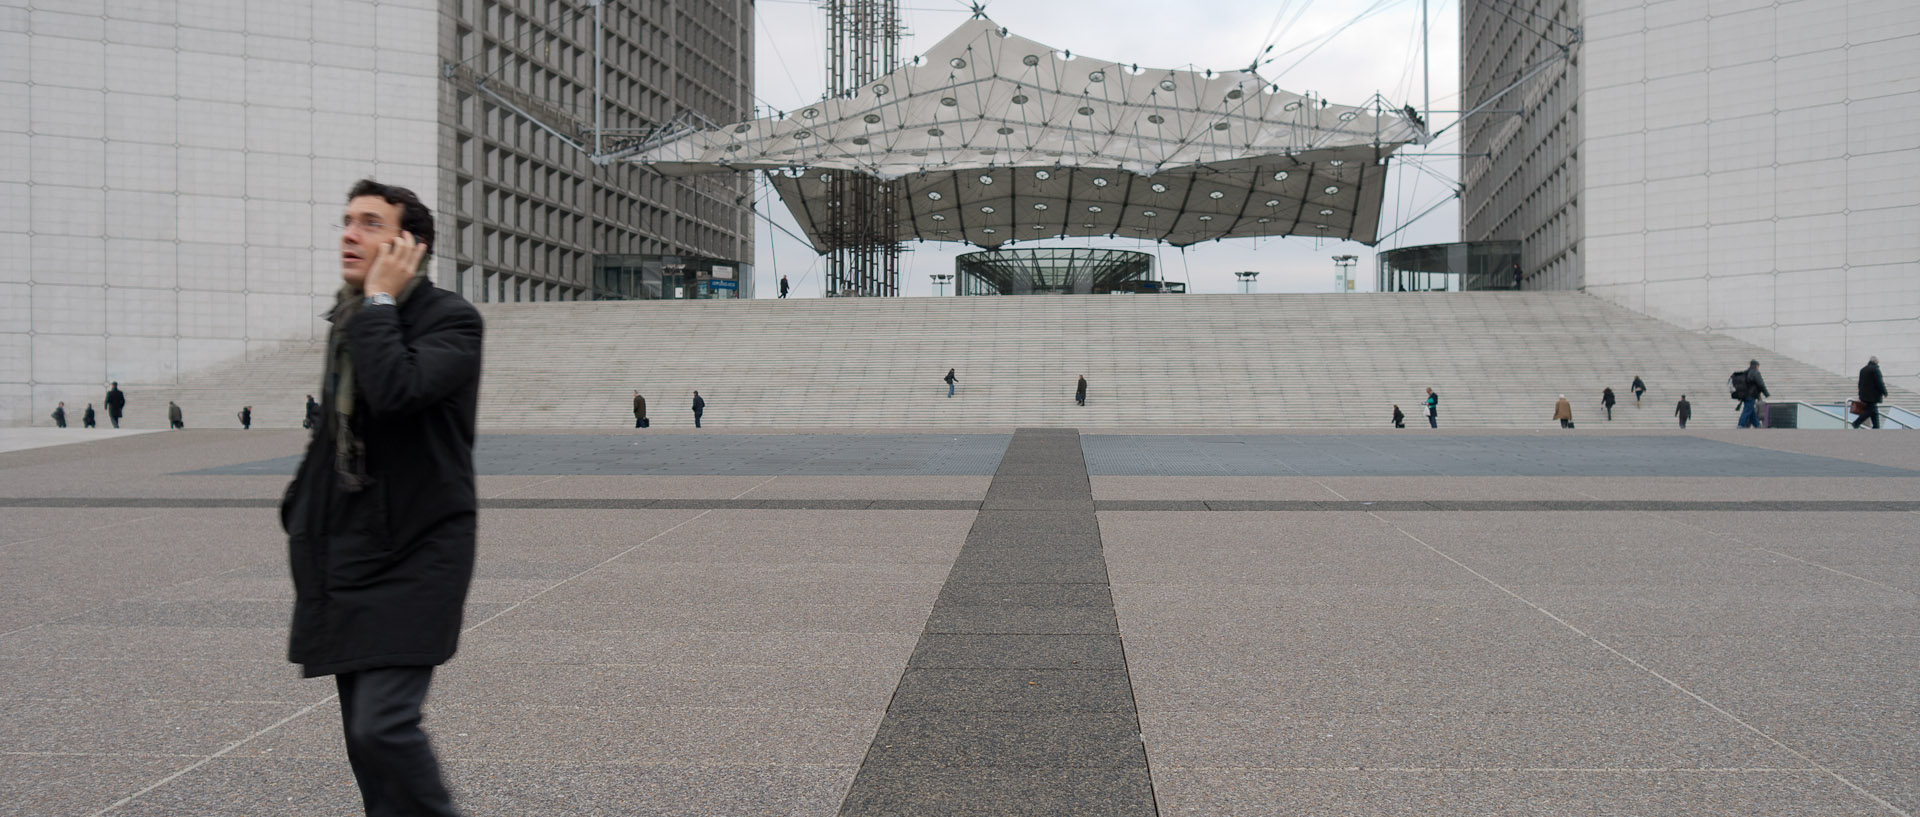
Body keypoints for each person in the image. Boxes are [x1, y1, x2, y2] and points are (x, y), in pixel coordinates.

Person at [281, 178, 482, 817]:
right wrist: (299, 509)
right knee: (365, 749)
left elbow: (397, 391)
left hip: (416, 551)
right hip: (348, 553)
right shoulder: (351, 322)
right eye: (347, 219)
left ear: (408, 247)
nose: (348, 232)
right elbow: (336, 434)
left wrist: (377, 304)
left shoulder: (451, 320)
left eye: (369, 222)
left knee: (383, 727)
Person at [1852, 356, 1887, 429]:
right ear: (1876, 362)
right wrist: (1884, 392)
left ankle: (1876, 427)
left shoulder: (1863, 370)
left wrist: (1860, 393)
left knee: (1874, 412)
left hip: (1864, 395)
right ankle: (1856, 422)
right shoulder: (1875, 370)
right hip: (1872, 396)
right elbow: (1879, 383)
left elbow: (1860, 383)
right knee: (1871, 410)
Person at [1733, 359, 1768, 428]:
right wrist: (1766, 393)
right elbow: (1760, 384)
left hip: (1745, 394)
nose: (1758, 367)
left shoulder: (1746, 372)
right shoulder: (1755, 372)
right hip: (1751, 395)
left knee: (1751, 410)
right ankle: (1740, 424)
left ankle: (1757, 425)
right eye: (1758, 366)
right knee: (1747, 409)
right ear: (1756, 366)